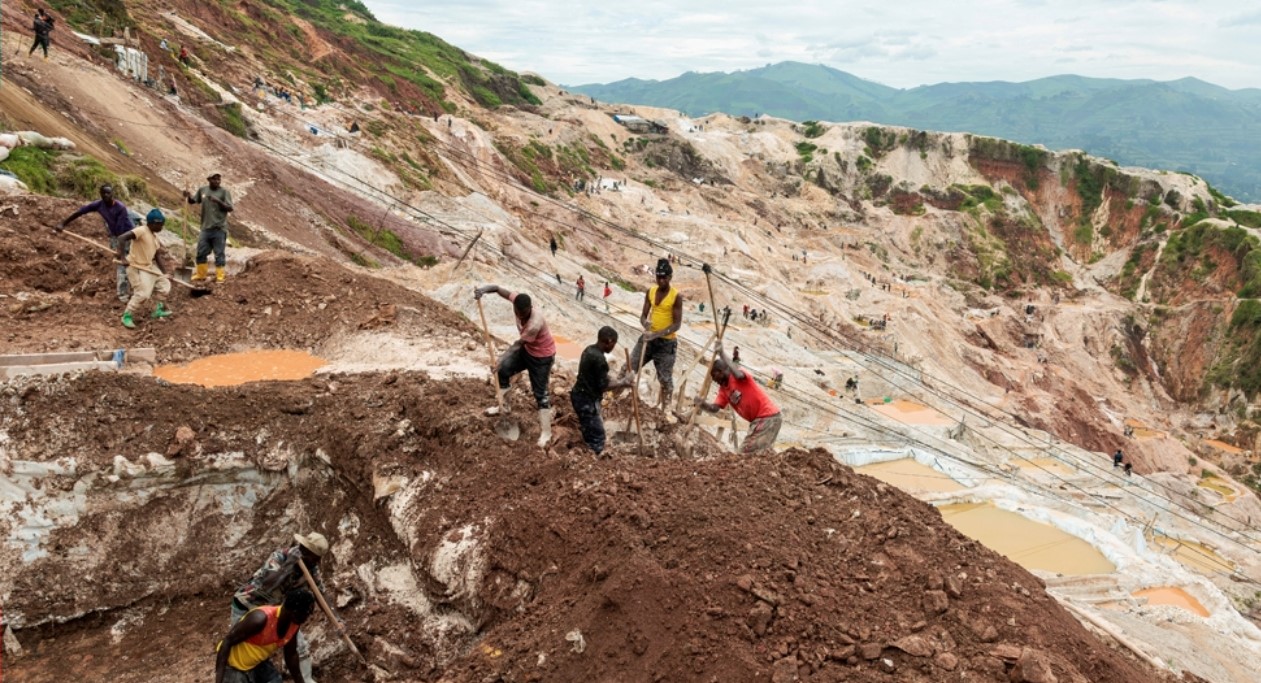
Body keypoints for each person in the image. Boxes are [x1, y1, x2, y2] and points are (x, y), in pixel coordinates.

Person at [232, 532, 328, 683]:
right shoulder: (280, 557)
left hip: (275, 610)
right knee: (244, 647)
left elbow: (321, 595)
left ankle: (306, 679)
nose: (316, 562)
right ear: (303, 550)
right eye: (313, 558)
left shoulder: (311, 568)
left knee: (299, 644)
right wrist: (289, 564)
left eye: (317, 560)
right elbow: (268, 585)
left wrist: (337, 618)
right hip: (248, 605)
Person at [474, 284, 557, 447]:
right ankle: (504, 407)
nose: (521, 317)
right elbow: (498, 289)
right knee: (503, 371)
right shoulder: (518, 300)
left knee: (541, 394)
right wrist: (483, 291)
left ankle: (546, 432)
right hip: (528, 349)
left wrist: (499, 360)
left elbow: (517, 345)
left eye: (524, 315)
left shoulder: (534, 323)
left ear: (529, 309)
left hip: (542, 357)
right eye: (518, 314)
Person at [216, 588, 315, 683]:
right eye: (305, 614)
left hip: (256, 664)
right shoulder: (260, 619)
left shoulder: (294, 624)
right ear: (293, 612)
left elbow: (291, 655)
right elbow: (227, 642)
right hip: (234, 666)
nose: (307, 618)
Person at [696, 347, 782, 455]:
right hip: (763, 420)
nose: (713, 379)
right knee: (760, 454)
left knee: (744, 453)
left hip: (766, 417)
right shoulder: (723, 390)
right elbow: (714, 408)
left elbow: (738, 374)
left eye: (714, 375)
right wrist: (702, 404)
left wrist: (722, 353)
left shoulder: (738, 376)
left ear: (721, 371)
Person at [56, 184, 134, 303]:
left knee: (129, 262)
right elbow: (80, 212)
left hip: (128, 235)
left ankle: (132, 292)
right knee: (122, 264)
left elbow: (121, 230)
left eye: (109, 193)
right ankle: (123, 294)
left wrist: (121, 251)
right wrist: (63, 223)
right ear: (100, 194)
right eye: (104, 193)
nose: (106, 195)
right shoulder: (99, 204)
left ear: (113, 194)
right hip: (115, 236)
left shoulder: (120, 208)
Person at [631, 258, 683, 409]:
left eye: (664, 277)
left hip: (666, 344)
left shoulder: (676, 297)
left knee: (665, 379)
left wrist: (656, 334)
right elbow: (643, 315)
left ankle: (666, 409)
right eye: (658, 277)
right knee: (630, 367)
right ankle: (613, 397)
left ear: (670, 277)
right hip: (648, 339)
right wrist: (644, 323)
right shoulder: (651, 292)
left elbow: (677, 324)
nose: (661, 280)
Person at [571, 326, 631, 456]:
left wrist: (617, 380)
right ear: (609, 341)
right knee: (598, 437)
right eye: (614, 343)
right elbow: (603, 386)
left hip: (578, 395)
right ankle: (592, 460)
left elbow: (598, 376)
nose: (613, 347)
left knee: (588, 428)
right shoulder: (599, 359)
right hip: (587, 401)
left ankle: (586, 445)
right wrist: (624, 382)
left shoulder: (589, 350)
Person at [115, 209, 172, 329]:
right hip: (135, 266)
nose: (162, 227)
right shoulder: (141, 230)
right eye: (160, 225)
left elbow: (157, 256)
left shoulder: (154, 237)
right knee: (142, 294)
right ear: (152, 223)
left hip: (148, 266)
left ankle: (157, 310)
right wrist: (123, 258)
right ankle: (127, 315)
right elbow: (121, 238)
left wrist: (165, 273)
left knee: (165, 285)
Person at [184, 172, 234, 282]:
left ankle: (220, 276)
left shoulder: (224, 192)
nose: (217, 181)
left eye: (218, 179)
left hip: (219, 228)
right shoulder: (203, 190)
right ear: (209, 180)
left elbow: (230, 208)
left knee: (219, 253)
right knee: (201, 252)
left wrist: (218, 201)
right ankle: (201, 275)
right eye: (214, 179)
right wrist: (188, 196)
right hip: (205, 228)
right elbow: (193, 201)